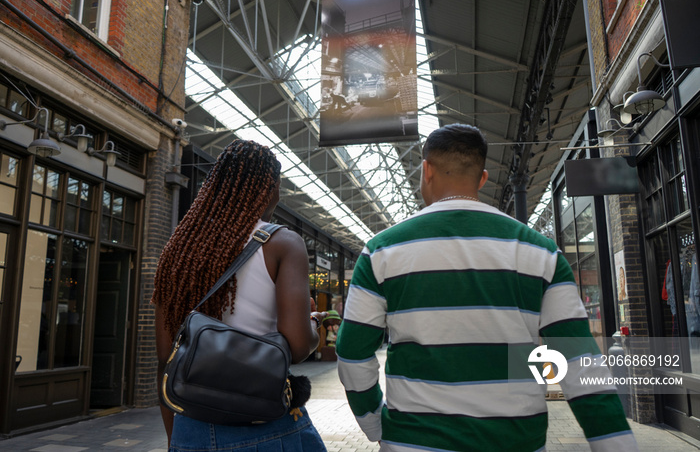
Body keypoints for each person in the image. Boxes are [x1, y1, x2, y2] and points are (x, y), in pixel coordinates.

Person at [335, 123, 638, 451]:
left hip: (413, 441)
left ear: (426, 170)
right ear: (482, 178)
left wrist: (373, 422)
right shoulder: (540, 251)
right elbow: (580, 363)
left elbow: (352, 353)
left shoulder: (381, 251)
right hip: (515, 442)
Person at [152, 139, 327, 451]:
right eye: (279, 185)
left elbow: (166, 360)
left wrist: (174, 439)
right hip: (265, 426)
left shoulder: (177, 250)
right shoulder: (282, 243)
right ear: (269, 187)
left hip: (189, 428)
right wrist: (312, 323)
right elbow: (299, 346)